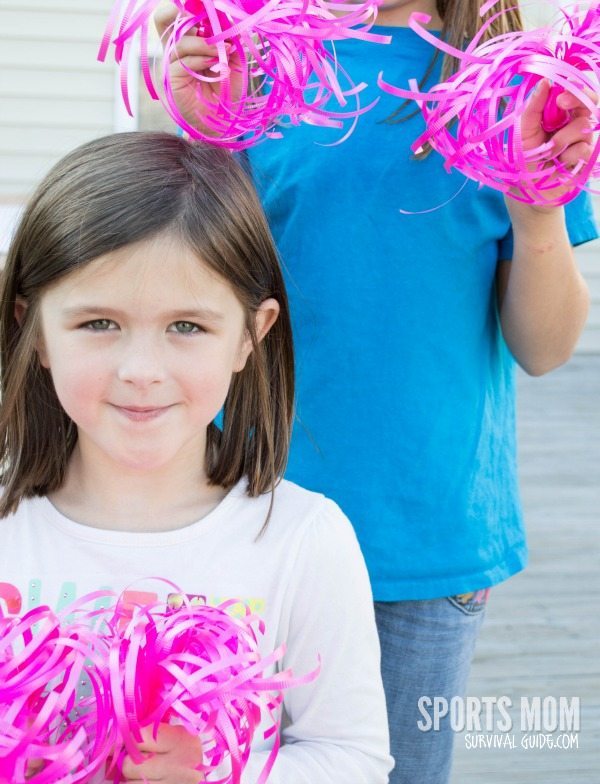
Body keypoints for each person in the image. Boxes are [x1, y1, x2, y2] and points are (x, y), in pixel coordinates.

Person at [154, 1, 599, 781]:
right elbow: (192, 288)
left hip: (423, 541)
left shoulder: (514, 89)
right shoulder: (259, 66)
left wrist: (537, 218)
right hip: (250, 517)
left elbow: (544, 347)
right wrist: (208, 131)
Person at [0, 132, 393, 784]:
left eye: (187, 327)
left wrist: (218, 773)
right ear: (33, 330)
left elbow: (353, 757)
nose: (141, 370)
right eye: (98, 323)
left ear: (250, 336)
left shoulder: (303, 541)